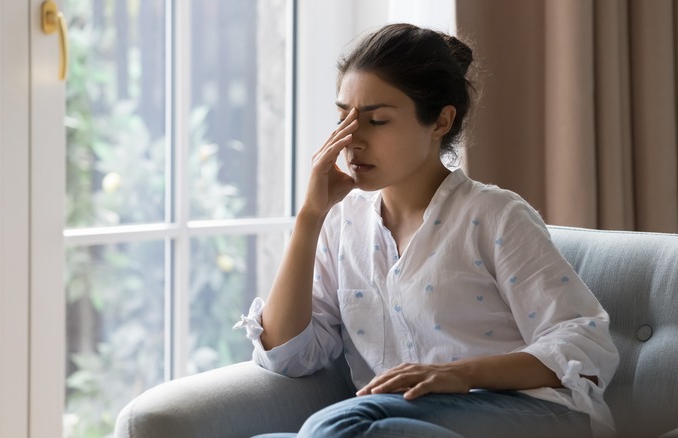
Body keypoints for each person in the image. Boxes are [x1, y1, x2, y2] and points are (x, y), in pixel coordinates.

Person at [235, 23, 619, 438]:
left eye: (376, 120)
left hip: (532, 414)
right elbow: (287, 357)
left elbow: (586, 345)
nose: (350, 139)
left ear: (440, 121)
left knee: (343, 425)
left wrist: (459, 374)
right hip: (407, 421)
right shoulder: (342, 224)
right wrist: (310, 217)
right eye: (342, 117)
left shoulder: (494, 215)